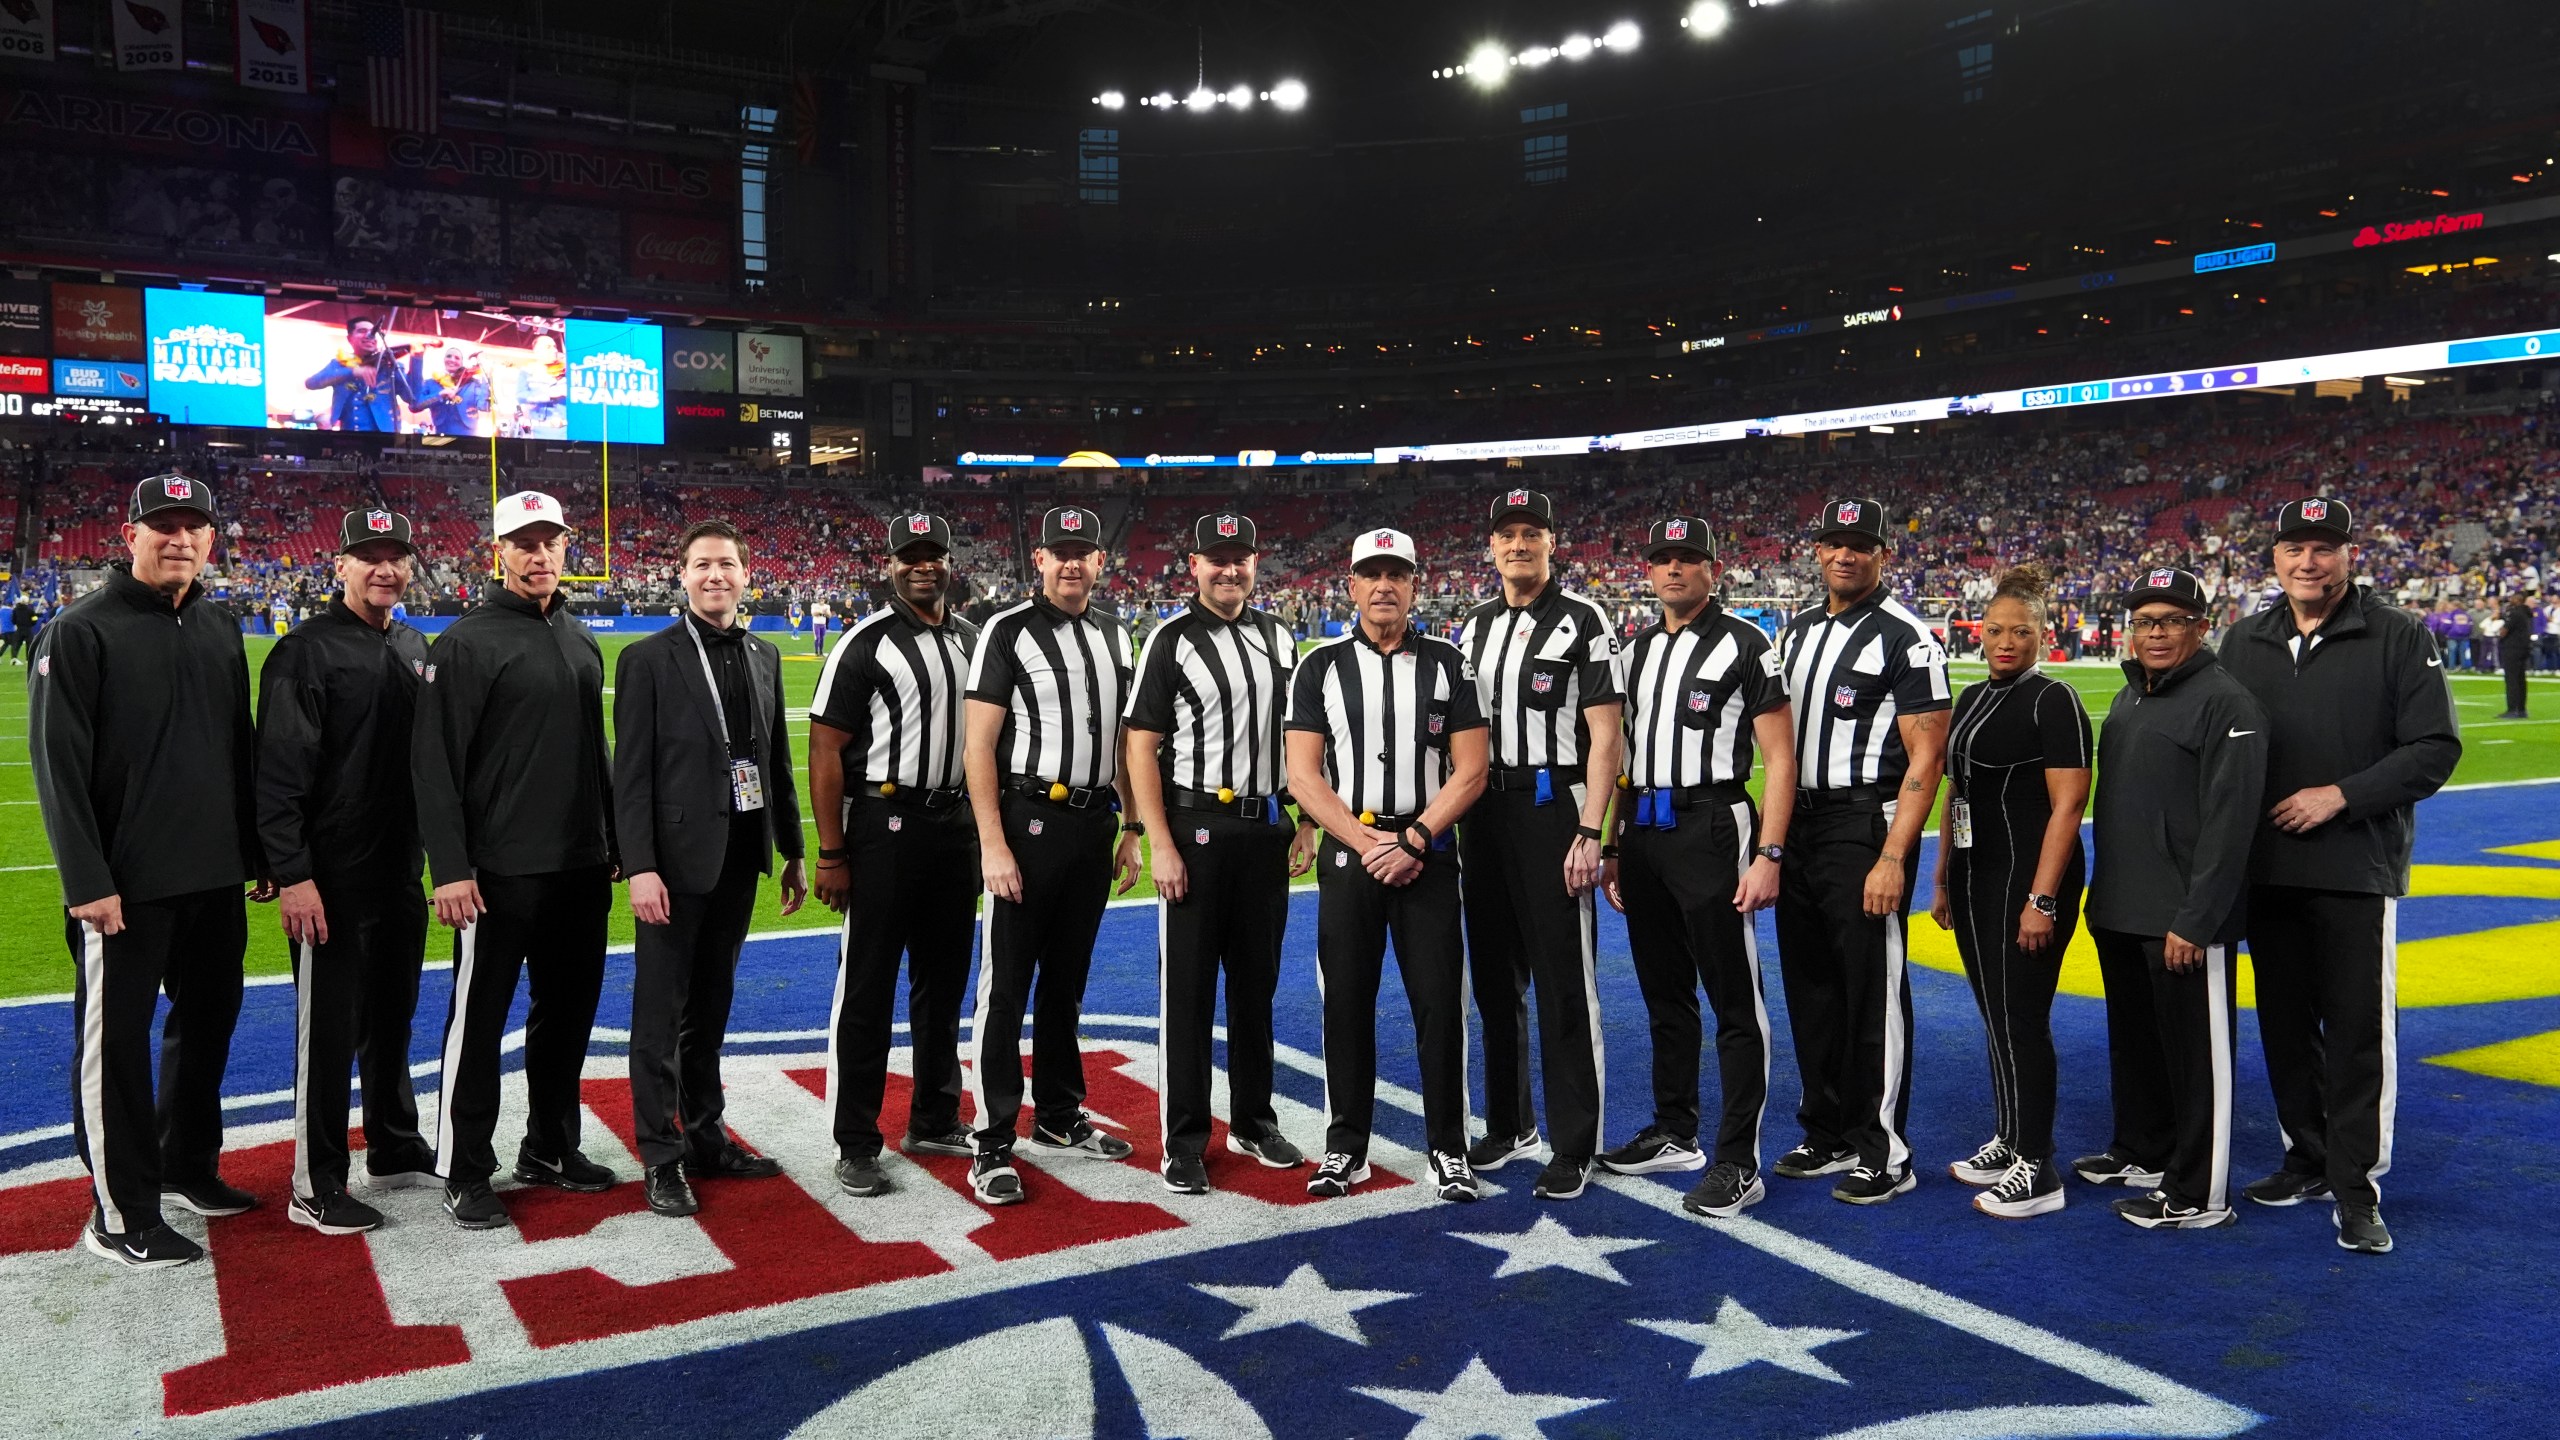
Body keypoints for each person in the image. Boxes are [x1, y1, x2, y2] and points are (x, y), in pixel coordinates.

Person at [31, 473, 266, 1269]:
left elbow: (238, 752)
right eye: (163, 526)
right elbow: (58, 767)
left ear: (211, 540)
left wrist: (257, 853)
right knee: (116, 1050)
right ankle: (119, 1210)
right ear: (128, 535)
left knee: (205, 1033)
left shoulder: (219, 626)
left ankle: (186, 1167)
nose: (180, 540)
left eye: (194, 527)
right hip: (123, 891)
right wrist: (87, 882)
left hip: (212, 878)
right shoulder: (78, 631)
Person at [2221, 498, 2460, 1255]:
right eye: (2293, 548)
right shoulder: (2244, 640)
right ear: (2274, 559)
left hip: (2355, 867)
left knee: (2357, 1034)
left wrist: (2341, 795)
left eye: (2324, 548)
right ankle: (2309, 1157)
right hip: (2268, 870)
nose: (2307, 562)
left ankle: (2357, 1187)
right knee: (2285, 1028)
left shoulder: (2397, 635)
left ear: (2350, 556)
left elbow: (2433, 749)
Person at [413, 490, 619, 1231]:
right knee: (479, 1022)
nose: (539, 555)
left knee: (566, 1018)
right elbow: (433, 765)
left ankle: (550, 1147)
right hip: (497, 873)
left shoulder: (577, 634)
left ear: (567, 548)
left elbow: (594, 749)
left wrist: (615, 840)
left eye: (550, 542)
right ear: (497, 553)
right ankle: (464, 1167)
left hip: (578, 865)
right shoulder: (466, 643)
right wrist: (452, 868)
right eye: (523, 543)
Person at [1598, 518, 1795, 1220]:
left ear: (1716, 569)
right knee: (1664, 991)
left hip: (1712, 824)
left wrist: (1770, 853)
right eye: (1662, 560)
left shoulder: (1748, 643)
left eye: (1688, 560)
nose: (1673, 571)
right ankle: (1674, 1129)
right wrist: (1615, 842)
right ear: (1648, 572)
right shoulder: (1638, 648)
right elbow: (1618, 752)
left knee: (1734, 999)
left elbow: (1781, 758)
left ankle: (1739, 1160)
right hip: (1646, 829)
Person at [1286, 527, 1489, 1203]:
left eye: (1395, 574)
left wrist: (1416, 839)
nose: (1383, 586)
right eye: (1370, 574)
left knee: (1439, 1004)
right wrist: (1369, 843)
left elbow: (1472, 769)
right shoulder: (1319, 667)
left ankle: (1447, 1148)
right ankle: (1347, 1147)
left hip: (1426, 855)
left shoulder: (1449, 664)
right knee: (1344, 1003)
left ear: (1413, 584)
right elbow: (1304, 776)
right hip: (1352, 855)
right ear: (1351, 587)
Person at [614, 520, 808, 1219]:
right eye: (702, 565)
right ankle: (659, 1158)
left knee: (711, 1012)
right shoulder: (647, 658)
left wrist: (789, 850)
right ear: (683, 575)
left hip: (738, 859)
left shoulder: (762, 653)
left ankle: (705, 1137)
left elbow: (775, 760)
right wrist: (639, 865)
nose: (715, 575)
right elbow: (629, 774)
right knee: (658, 1018)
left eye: (727, 563)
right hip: (672, 864)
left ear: (746, 573)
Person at [1125, 512, 1322, 1196]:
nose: (1229, 569)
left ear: (1255, 563)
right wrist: (1159, 840)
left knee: (1255, 987)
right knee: (1188, 992)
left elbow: (1297, 739)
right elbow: (1140, 746)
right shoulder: (1169, 641)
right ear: (1194, 566)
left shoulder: (1277, 634)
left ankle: (1253, 1120)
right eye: (1217, 559)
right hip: (1196, 830)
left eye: (1240, 558)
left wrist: (1303, 818)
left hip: (1265, 832)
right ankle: (1184, 1139)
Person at [256, 508, 437, 1236]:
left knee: (392, 1019)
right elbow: (277, 773)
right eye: (369, 556)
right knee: (327, 1035)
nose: (385, 568)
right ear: (340, 565)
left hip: (400, 869)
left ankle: (393, 1146)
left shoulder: (417, 643)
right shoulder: (304, 652)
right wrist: (293, 873)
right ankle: (315, 1182)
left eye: (397, 556)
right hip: (330, 879)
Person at [961, 506, 1146, 1207]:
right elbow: (978, 745)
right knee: (1006, 988)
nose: (1072, 563)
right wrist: (992, 843)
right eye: (1058, 552)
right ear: (1037, 560)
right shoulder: (1006, 631)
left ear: (1102, 562)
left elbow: (1127, 739)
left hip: (1092, 824)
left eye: (1084, 552)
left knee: (1066, 983)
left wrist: (1129, 825)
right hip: (1028, 818)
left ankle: (1061, 1117)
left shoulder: (1114, 633)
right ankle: (993, 1140)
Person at [1772, 497, 1950, 1206]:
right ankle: (1827, 1130)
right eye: (1833, 542)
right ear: (1816, 550)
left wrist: (1894, 854)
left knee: (1872, 991)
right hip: (1800, 825)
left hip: (1861, 826)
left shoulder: (1907, 637)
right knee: (1811, 987)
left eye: (1860, 544)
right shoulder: (1797, 630)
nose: (1844, 554)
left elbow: (1926, 757)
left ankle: (1885, 1149)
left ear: (1884, 554)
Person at [2080, 567, 2266, 1230]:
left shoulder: (2227, 702)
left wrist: (2199, 915)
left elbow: (2231, 821)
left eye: (2171, 621)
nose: (2155, 633)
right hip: (2123, 908)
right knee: (2136, 1045)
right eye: (2144, 622)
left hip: (2186, 919)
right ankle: (2143, 1150)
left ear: (2200, 625)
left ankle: (2200, 1193)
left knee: (2197, 1060)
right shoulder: (2131, 695)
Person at [1455, 488, 1623, 1202]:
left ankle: (1574, 1141)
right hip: (1482, 809)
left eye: (1531, 533)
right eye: (1506, 535)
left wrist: (1592, 828)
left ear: (1553, 543)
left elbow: (1608, 733)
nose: (1518, 545)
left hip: (1554, 809)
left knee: (1563, 981)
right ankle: (1509, 1121)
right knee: (1495, 977)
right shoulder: (1473, 626)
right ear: (1489, 548)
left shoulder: (1585, 620)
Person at [808, 514, 982, 1199]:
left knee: (944, 984)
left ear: (948, 561)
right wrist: (831, 851)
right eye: (910, 557)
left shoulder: (973, 640)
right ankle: (856, 1140)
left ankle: (935, 1117)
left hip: (954, 827)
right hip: (885, 824)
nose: (924, 567)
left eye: (934, 555)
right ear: (889, 565)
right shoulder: (865, 643)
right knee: (869, 988)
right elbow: (824, 749)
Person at [1926, 563, 2092, 1221]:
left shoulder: (2054, 700)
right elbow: (1955, 794)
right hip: (1974, 878)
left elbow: (2068, 805)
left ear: (2042, 636)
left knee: (2021, 1017)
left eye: (2019, 632)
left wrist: (2042, 898)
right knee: (1996, 1015)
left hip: (2027, 880)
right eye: (1994, 630)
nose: (2004, 641)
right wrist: (1941, 877)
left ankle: (2039, 1165)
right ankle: (2013, 1136)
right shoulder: (1970, 699)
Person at [304, 315, 412, 432]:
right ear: (350, 338)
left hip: (385, 435)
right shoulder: (340, 364)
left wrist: (417, 359)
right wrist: (353, 372)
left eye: (373, 332)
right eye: (362, 331)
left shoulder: (389, 365)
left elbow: (412, 399)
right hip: (349, 435)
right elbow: (311, 383)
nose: (369, 336)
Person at [2498, 587, 2535, 718]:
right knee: (2521, 679)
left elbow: (2503, 631)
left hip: (2512, 648)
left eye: (2513, 597)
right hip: (2524, 648)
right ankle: (2522, 709)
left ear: (2518, 600)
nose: (2510, 599)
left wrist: (2500, 631)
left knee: (2511, 679)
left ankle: (2512, 709)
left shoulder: (2515, 613)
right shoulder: (2527, 612)